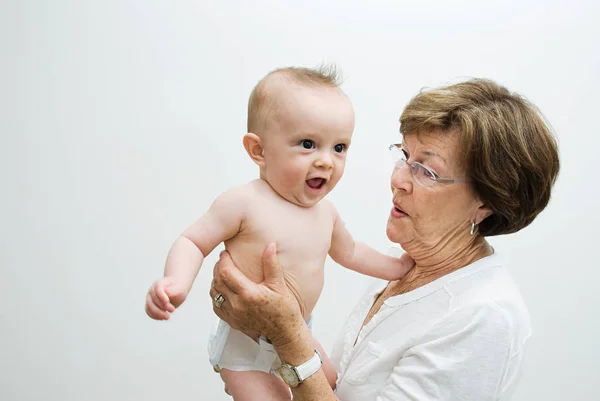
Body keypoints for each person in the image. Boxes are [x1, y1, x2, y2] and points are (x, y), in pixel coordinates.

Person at [210, 78, 560, 400]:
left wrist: (289, 336)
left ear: (486, 202)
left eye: (427, 171)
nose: (398, 179)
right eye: (406, 156)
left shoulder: (483, 317)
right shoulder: (404, 262)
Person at [144, 66, 414, 401]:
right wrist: (177, 282)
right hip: (246, 346)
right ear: (258, 151)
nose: (327, 161)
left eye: (339, 148)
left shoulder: (326, 213)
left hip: (297, 331)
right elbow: (193, 241)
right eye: (308, 144)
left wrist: (400, 268)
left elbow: (352, 253)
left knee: (330, 385)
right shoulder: (244, 202)